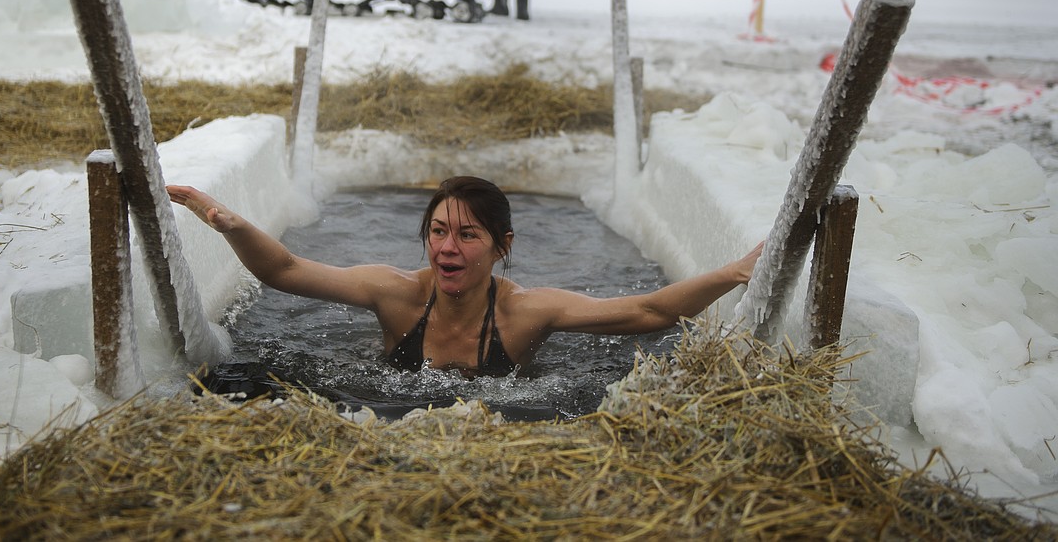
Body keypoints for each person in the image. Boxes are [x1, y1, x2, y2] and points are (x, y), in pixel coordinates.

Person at [168, 176, 762, 378]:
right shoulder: (395, 295)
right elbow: (286, 270)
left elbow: (651, 313)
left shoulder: (525, 312)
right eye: (437, 232)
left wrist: (736, 271)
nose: (447, 249)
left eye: (467, 235)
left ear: (501, 247)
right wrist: (229, 222)